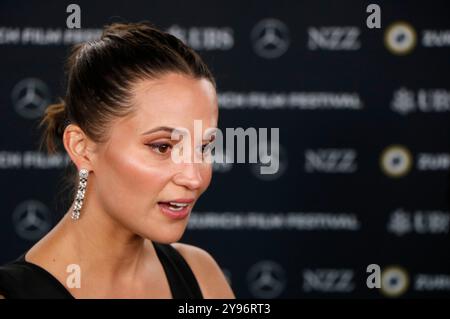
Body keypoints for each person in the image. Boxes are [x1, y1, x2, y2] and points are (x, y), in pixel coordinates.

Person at [0, 22, 234, 299]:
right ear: (82, 148)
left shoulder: (200, 275)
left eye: (204, 147)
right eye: (162, 147)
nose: (194, 177)